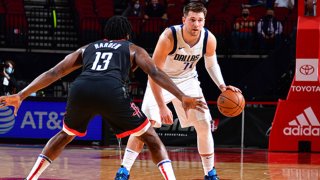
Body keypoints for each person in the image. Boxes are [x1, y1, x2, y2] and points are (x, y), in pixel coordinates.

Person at [0, 16, 207, 180]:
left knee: (65, 134)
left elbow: (55, 72)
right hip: (112, 90)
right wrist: (181, 96)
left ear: (105, 35)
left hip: (81, 89)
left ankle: (31, 177)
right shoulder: (133, 48)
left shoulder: (87, 48)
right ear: (127, 34)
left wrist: (21, 94)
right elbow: (154, 72)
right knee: (151, 137)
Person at [116, 2, 242, 180]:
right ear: (184, 20)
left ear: (204, 21)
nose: (196, 24)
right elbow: (153, 73)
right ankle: (124, 170)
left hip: (188, 80)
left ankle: (210, 173)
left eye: (200, 20)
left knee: (204, 123)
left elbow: (211, 63)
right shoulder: (169, 36)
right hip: (161, 79)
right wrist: (161, 106)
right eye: (192, 20)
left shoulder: (209, 38)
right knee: (145, 126)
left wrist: (222, 86)